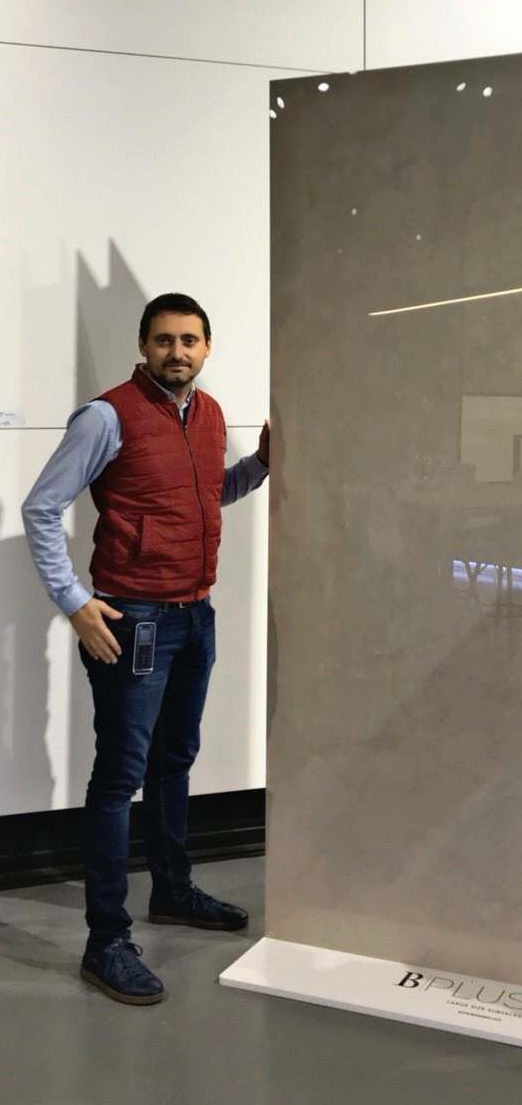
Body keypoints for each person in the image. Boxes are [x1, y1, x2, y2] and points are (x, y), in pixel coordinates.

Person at [22, 292, 270, 1006]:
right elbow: (41, 507)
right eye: (164, 340)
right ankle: (105, 942)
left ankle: (172, 890)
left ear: (207, 347)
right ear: (143, 345)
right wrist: (74, 602)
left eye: (190, 340)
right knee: (118, 779)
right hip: (134, 621)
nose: (177, 352)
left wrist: (260, 464)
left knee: (174, 762)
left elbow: (204, 496)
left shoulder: (210, 414)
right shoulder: (107, 416)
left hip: (195, 617)